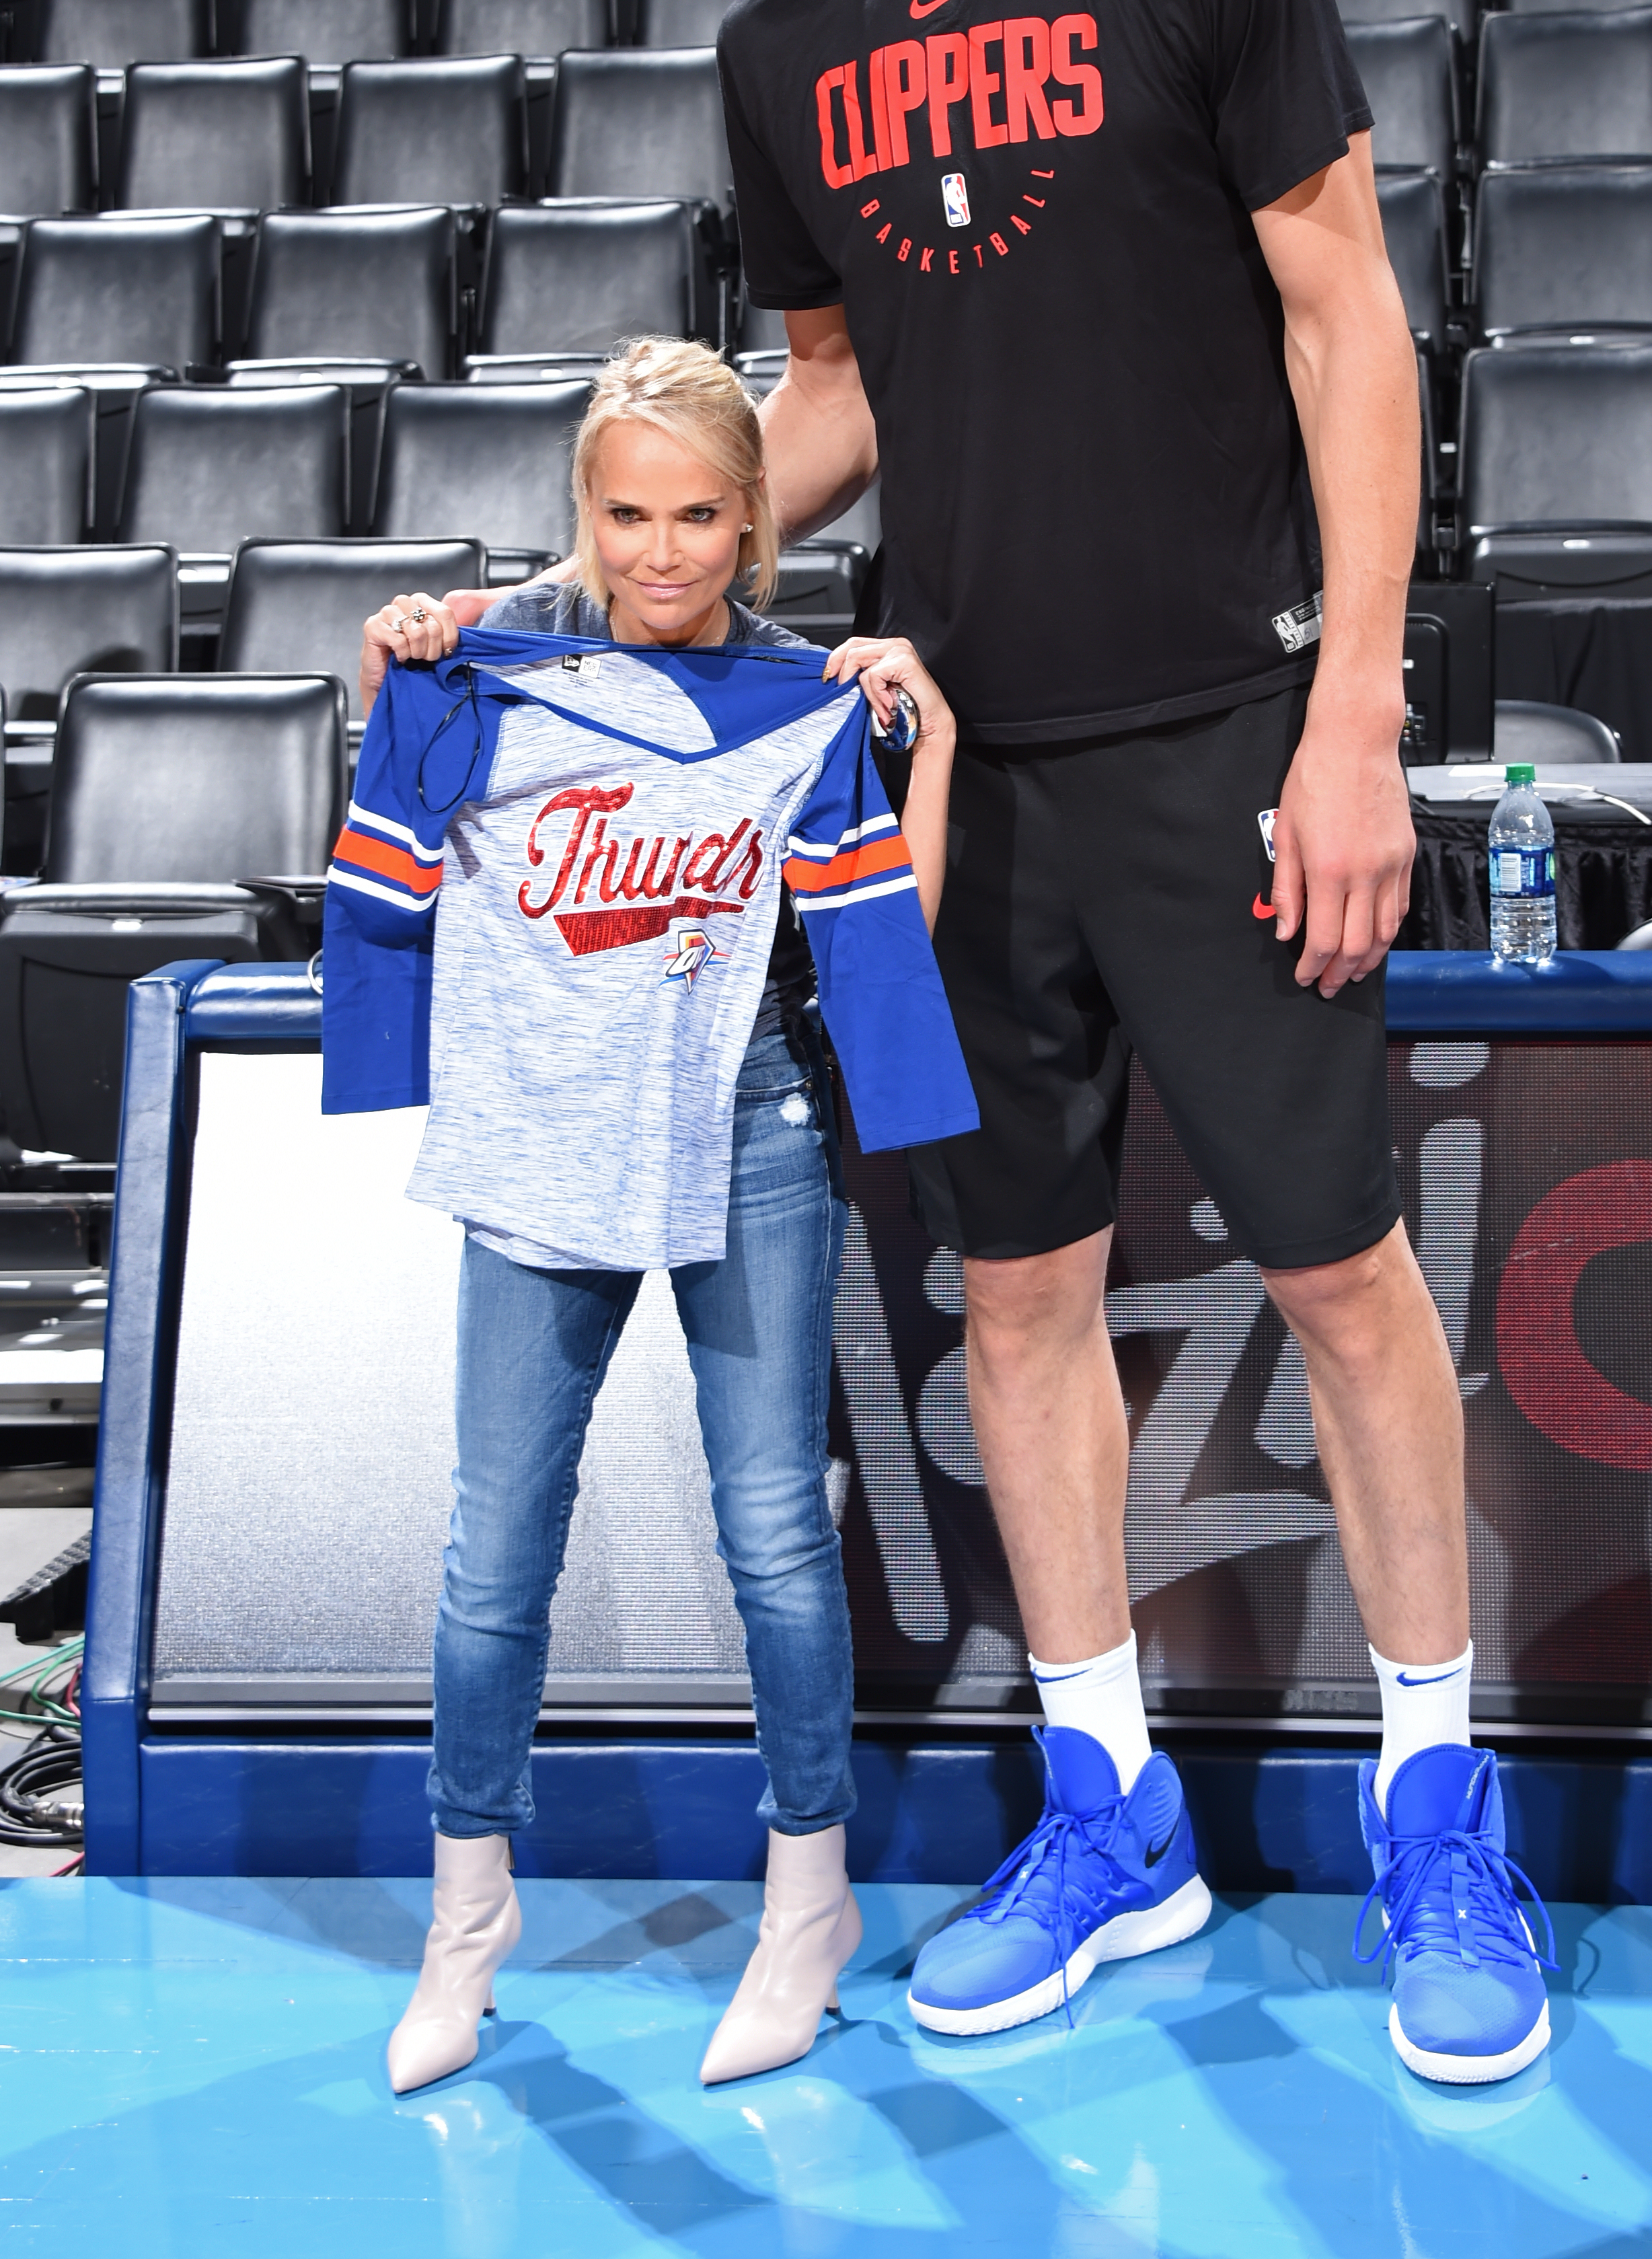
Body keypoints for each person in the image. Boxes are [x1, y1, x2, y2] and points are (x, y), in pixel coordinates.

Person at [708, 0, 1554, 2084]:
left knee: (1338, 1273)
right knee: (1022, 1293)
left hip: (1223, 719)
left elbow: (1350, 325)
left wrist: (1352, 711)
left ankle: (1439, 1805)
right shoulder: (782, 46)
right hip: (953, 766)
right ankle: (1109, 1810)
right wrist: (646, 557)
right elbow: (838, 383)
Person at [340, 338, 967, 2096]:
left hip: (745, 1125)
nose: (663, 550)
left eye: (699, 513)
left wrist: (923, 738)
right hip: (536, 1141)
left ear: (755, 517)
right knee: (494, 1550)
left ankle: (807, 1898)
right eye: (628, 514)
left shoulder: (797, 694)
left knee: (776, 1530)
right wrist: (388, 662)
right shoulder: (485, 661)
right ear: (584, 512)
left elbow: (889, 937)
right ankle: (466, 1918)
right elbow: (383, 863)